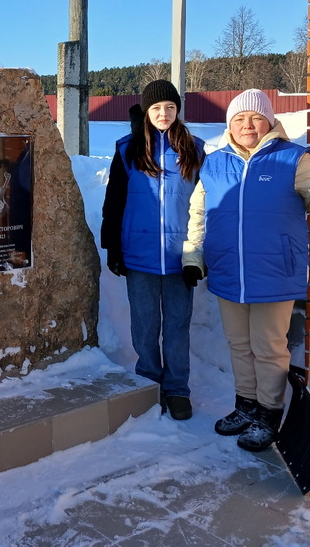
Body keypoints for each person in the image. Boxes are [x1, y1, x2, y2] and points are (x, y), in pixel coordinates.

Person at [182, 89, 310, 452]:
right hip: (228, 270)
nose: (248, 125)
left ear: (269, 121)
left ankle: (269, 414)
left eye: (256, 117)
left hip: (275, 272)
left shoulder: (294, 159)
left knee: (268, 346)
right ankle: (246, 405)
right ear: (230, 124)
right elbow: (199, 213)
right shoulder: (214, 162)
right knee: (239, 345)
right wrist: (193, 256)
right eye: (239, 118)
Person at [101, 80, 205, 421]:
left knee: (177, 327)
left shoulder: (195, 149)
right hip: (139, 254)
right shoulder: (128, 149)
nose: (164, 114)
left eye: (170, 107)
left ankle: (177, 389)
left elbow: (204, 205)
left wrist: (198, 255)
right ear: (146, 111)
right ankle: (149, 382)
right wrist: (113, 246)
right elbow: (114, 201)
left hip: (180, 258)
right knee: (145, 327)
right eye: (157, 108)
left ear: (178, 110)